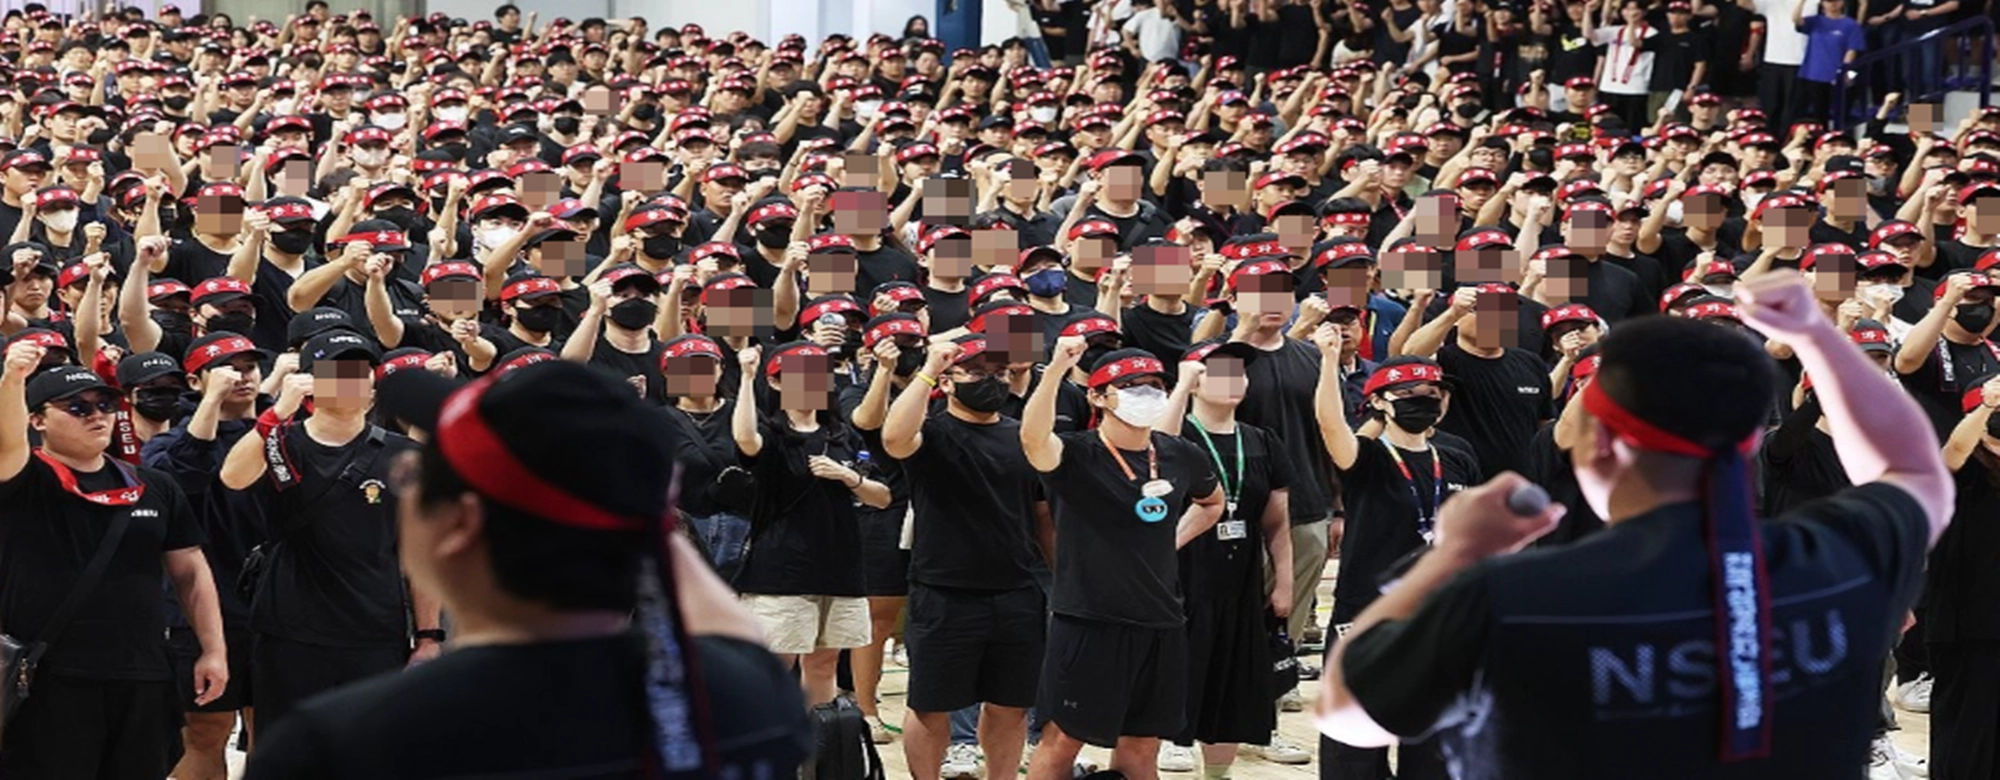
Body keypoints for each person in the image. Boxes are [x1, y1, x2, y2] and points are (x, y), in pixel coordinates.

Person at [1317, 272, 1955, 778]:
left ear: (1598, 446)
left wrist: (1453, 554)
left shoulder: (1516, 596)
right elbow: (1915, 472)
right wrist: (1818, 335)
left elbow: (1350, 714)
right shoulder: (1840, 560)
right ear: (1746, 441)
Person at [244, 360, 814, 777]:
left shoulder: (338, 746)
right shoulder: (746, 701)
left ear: (460, 525)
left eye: (416, 481)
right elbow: (734, 635)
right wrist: (628, 499)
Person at [0, 345, 228, 779]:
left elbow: (191, 570)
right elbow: (5, 442)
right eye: (76, 407)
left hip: (143, 672)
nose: (96, 414)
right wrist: (12, 379)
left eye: (105, 404)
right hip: (49, 677)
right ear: (38, 421)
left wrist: (213, 649)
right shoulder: (23, 480)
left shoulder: (154, 485)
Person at [218, 329, 441, 736]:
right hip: (289, 631)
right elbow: (232, 477)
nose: (351, 380)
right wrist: (276, 413)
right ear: (309, 384)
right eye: (336, 371)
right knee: (284, 752)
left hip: (375, 633)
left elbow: (420, 553)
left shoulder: (405, 454)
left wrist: (429, 635)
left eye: (359, 371)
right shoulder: (279, 441)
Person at [1020, 339, 1225, 780]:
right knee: (1062, 741)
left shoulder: (1179, 453)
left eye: (1154, 384)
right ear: (1097, 396)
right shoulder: (1075, 453)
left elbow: (1212, 503)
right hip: (1089, 621)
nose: (1145, 393)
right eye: (1130, 385)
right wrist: (1055, 369)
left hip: (1161, 622)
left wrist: (1172, 539)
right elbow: (1033, 438)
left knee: (1143, 744)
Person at [880, 335, 1047, 780]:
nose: (990, 381)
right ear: (948, 383)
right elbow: (893, 437)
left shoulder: (1023, 437)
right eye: (977, 372)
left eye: (998, 373)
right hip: (944, 593)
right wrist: (931, 366)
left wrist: (1057, 578)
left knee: (1010, 706)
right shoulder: (930, 433)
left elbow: (1043, 515)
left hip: (1017, 591)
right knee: (931, 707)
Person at [1155, 340, 1305, 774]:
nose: (1233, 379)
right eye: (1218, 371)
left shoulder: (1262, 441)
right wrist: (1180, 386)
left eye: (1238, 371)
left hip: (1239, 578)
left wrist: (1284, 581)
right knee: (1181, 659)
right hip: (1180, 575)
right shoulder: (1178, 433)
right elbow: (1159, 448)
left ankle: (1220, 763)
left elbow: (1277, 522)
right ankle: (1174, 736)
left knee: (1234, 672)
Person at [730, 341, 891, 706]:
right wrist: (746, 376)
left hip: (839, 565)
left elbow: (881, 497)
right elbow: (744, 438)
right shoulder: (771, 434)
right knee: (776, 662)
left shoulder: (842, 435)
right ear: (776, 384)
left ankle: (817, 749)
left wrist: (848, 477)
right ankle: (768, 748)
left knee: (824, 663)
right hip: (781, 569)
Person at [1927, 374, 2000, 779]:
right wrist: (1986, 406)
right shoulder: (1963, 466)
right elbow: (1952, 452)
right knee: (1965, 727)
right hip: (1966, 619)